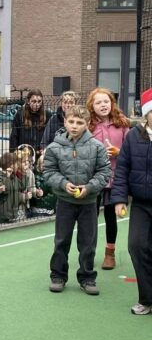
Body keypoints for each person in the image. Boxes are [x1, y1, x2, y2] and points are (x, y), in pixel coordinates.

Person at [43, 105, 111, 296]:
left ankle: (87, 277)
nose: (74, 126)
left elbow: (104, 172)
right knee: (61, 240)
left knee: (88, 243)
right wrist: (64, 184)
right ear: (65, 122)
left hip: (88, 203)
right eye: (71, 121)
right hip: (65, 202)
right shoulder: (54, 147)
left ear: (87, 124)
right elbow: (49, 172)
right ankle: (58, 275)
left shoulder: (97, 147)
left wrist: (88, 188)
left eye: (79, 122)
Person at [110, 87, 152, 315]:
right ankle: (147, 299)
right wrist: (119, 199)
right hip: (141, 204)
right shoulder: (134, 137)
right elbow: (122, 169)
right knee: (136, 246)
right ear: (146, 114)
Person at [86, 87, 131, 270]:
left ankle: (109, 254)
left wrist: (119, 152)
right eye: (98, 102)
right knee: (90, 217)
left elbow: (131, 150)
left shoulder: (123, 124)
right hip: (93, 178)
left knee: (111, 216)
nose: (103, 105)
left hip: (115, 178)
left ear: (112, 103)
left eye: (106, 101)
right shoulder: (88, 125)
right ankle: (88, 252)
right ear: (92, 106)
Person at [9, 89, 50, 153]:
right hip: (23, 153)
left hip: (41, 152)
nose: (37, 104)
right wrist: (14, 152)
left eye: (39, 101)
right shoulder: (20, 115)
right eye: (34, 101)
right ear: (28, 101)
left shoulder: (47, 115)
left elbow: (50, 135)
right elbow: (14, 136)